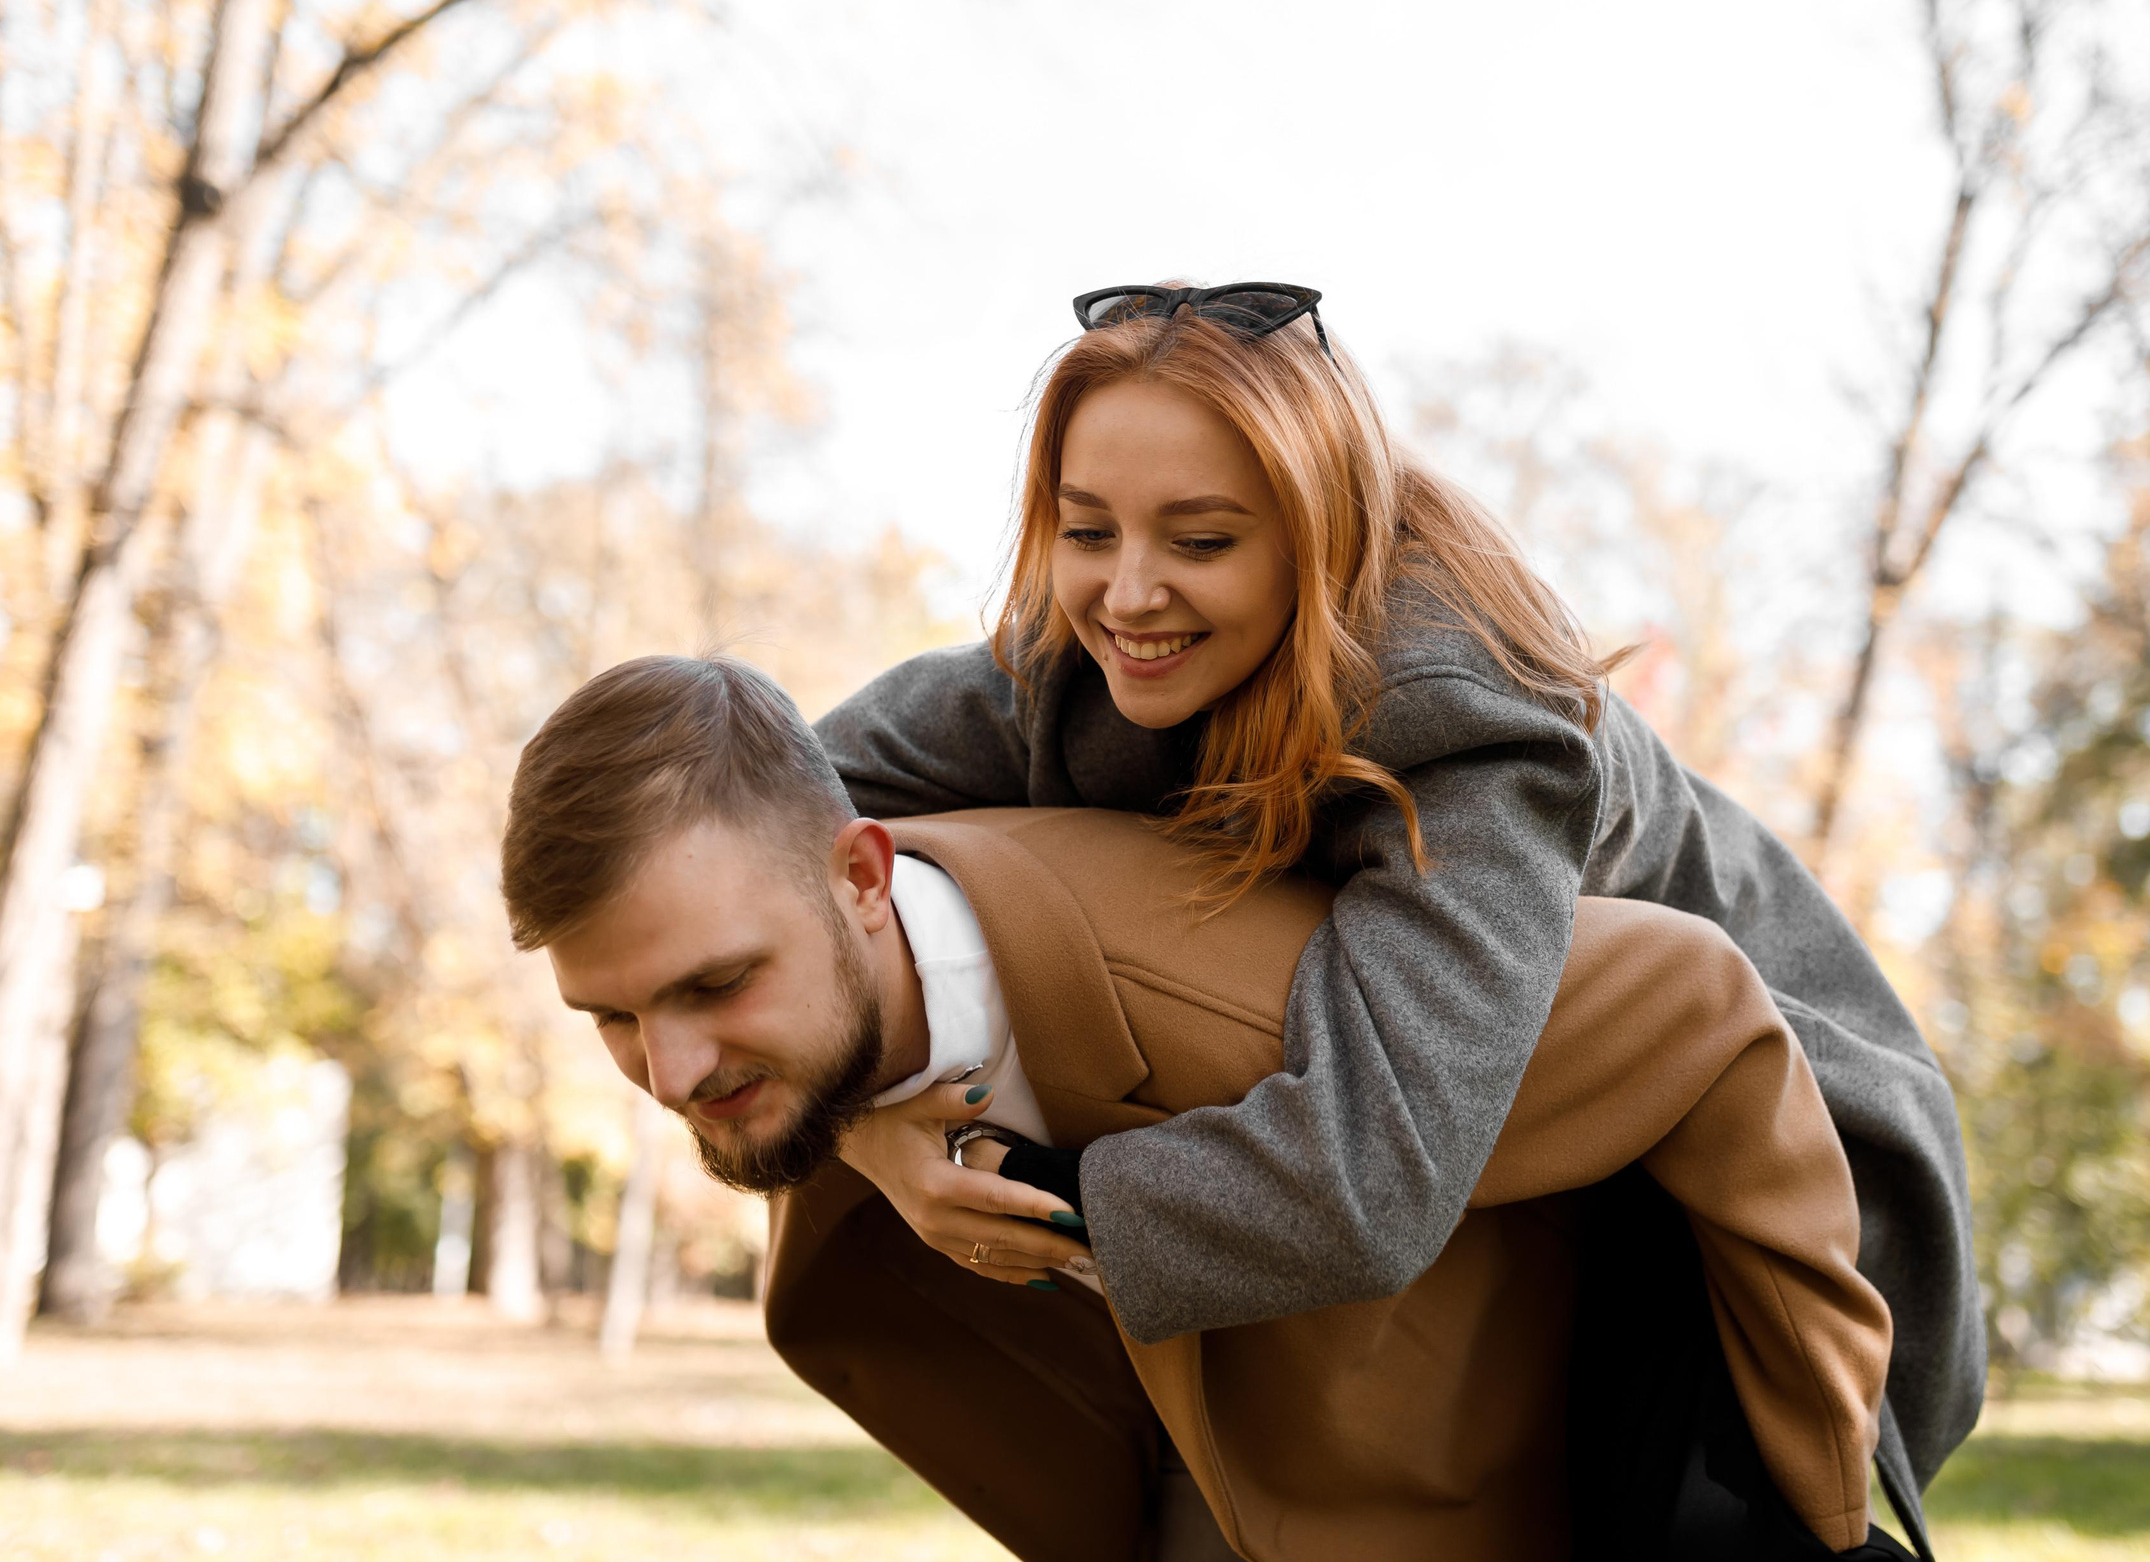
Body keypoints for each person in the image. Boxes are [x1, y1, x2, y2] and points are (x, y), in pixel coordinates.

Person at [815, 283, 1978, 1538]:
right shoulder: (1068, 665)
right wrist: (863, 1133)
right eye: (1086, 529)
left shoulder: (1461, 712)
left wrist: (1023, 1191)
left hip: (1745, 1155)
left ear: (1318, 535)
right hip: (1495, 1109)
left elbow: (1368, 1179)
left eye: (1200, 541)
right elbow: (763, 825)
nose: (1129, 594)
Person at [499, 653, 1913, 1561]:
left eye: (712, 986)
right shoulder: (813, 1031)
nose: (671, 1074)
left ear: (865, 878)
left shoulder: (1252, 990)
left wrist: (1807, 1506)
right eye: (613, 1018)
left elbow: (1695, 998)